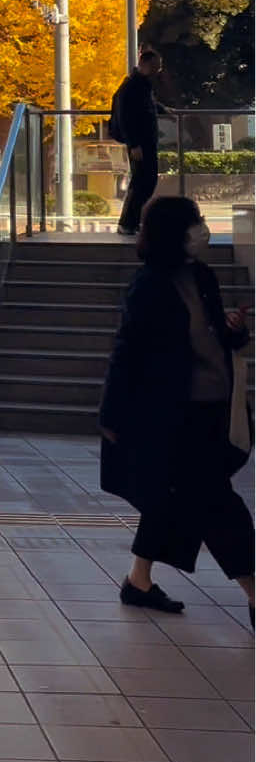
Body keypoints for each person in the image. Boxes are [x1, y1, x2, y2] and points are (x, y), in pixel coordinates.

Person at [100, 195, 254, 621]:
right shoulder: (148, 286)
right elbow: (127, 352)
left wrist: (232, 331)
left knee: (178, 498)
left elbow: (211, 335)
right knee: (218, 503)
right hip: (174, 414)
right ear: (173, 232)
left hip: (213, 408)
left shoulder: (202, 276)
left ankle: (139, 582)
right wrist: (112, 418)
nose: (202, 229)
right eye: (194, 222)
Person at [110, 47, 165, 236]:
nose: (158, 70)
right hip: (140, 142)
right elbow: (126, 116)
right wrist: (133, 144)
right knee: (143, 182)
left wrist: (164, 109)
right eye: (155, 66)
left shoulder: (141, 84)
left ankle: (131, 222)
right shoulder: (133, 85)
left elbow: (148, 104)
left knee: (144, 181)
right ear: (144, 64)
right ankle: (128, 223)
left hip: (145, 140)